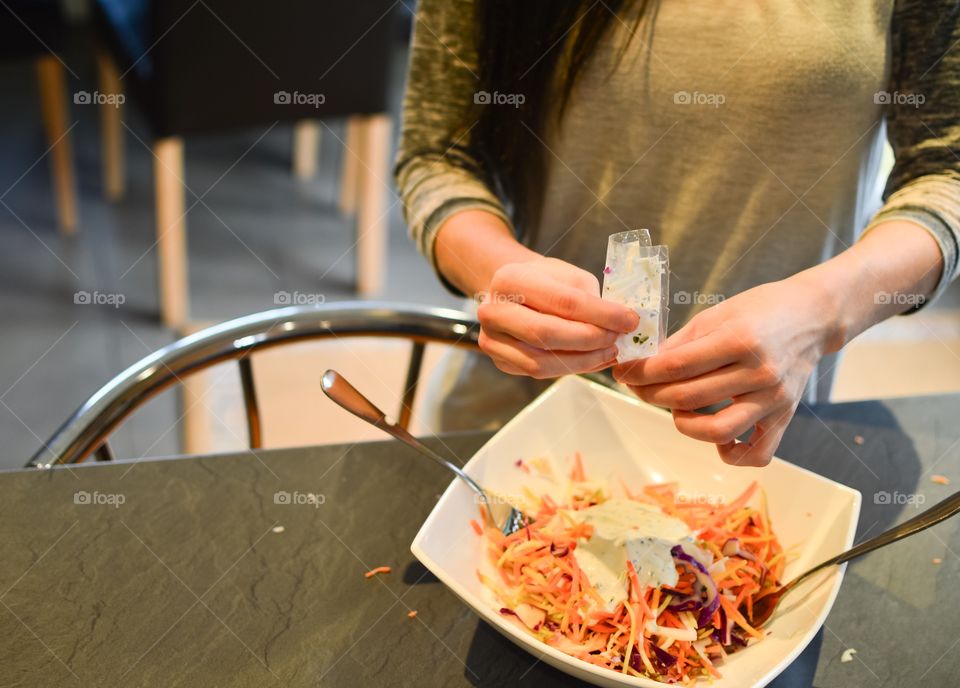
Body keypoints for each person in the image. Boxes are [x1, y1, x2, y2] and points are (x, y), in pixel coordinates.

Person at [394, 0, 960, 467]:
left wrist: (824, 311)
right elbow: (437, 155)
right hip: (518, 433)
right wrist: (498, 273)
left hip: (751, 443)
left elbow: (946, 171)